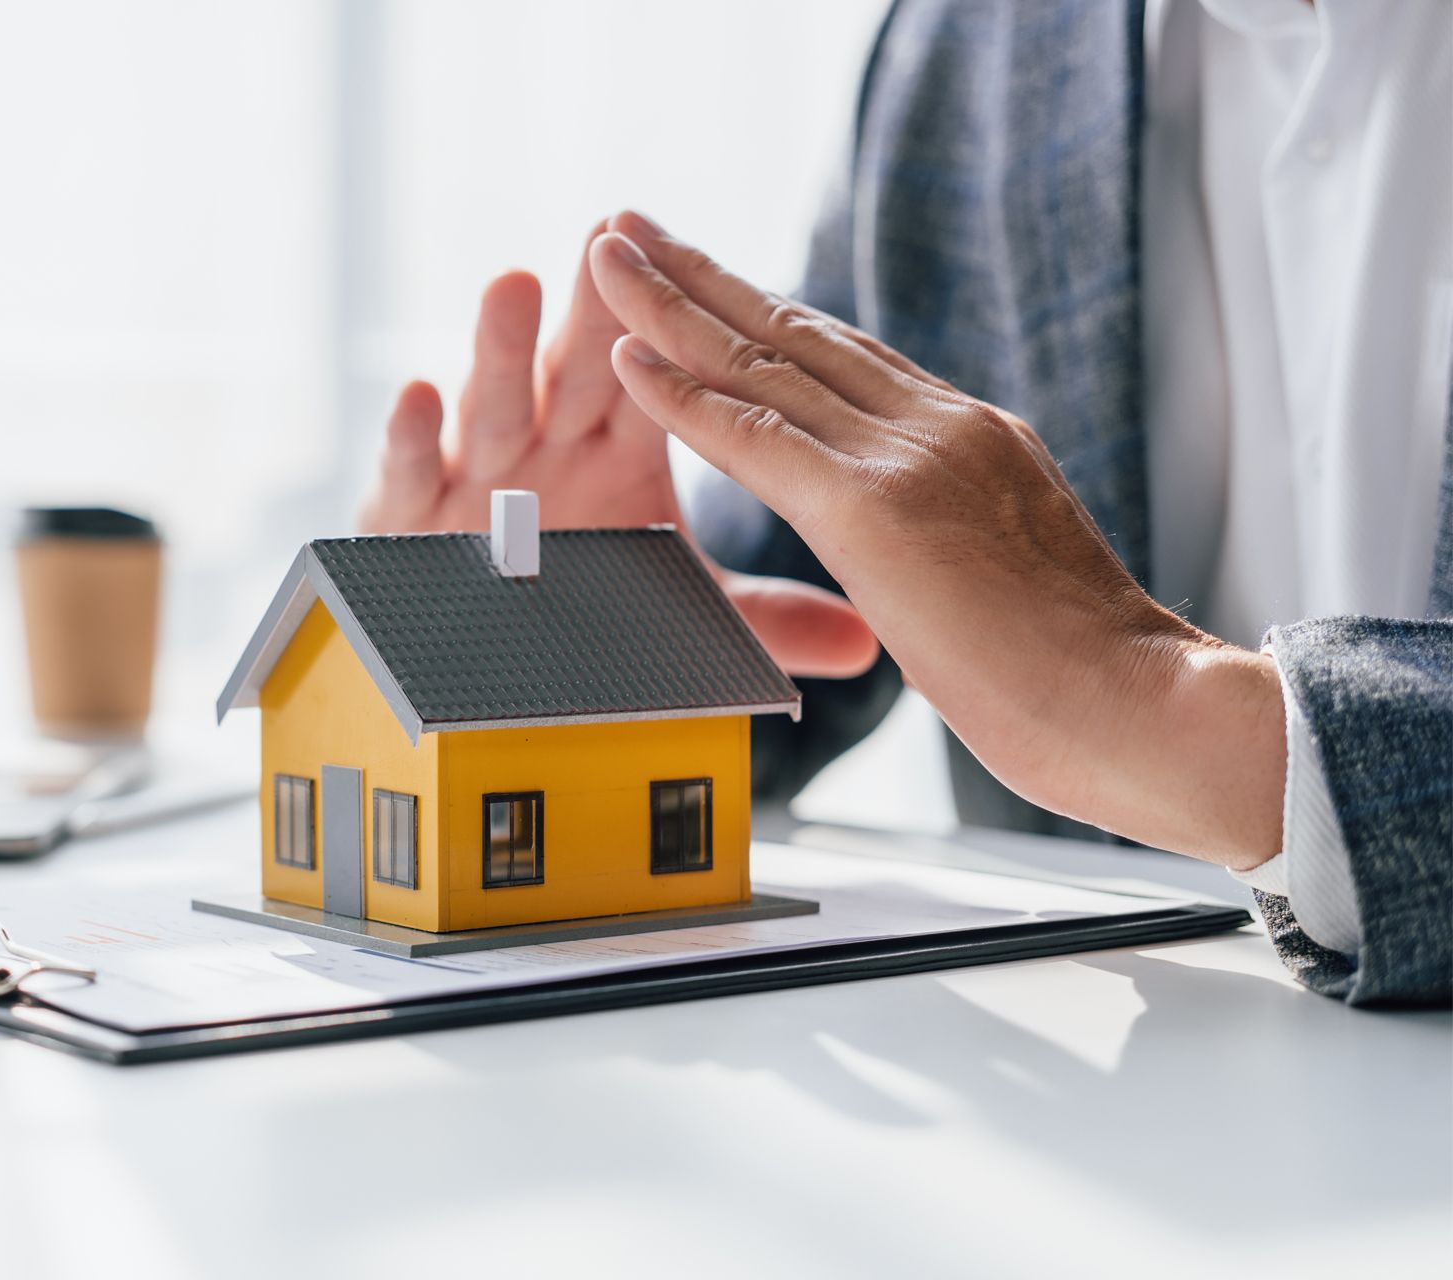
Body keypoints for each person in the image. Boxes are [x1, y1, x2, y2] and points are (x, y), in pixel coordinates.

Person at [359, 0, 1451, 1006]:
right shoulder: (965, 39)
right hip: (1102, 1124)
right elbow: (835, 586)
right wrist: (604, 657)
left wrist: (1162, 711)